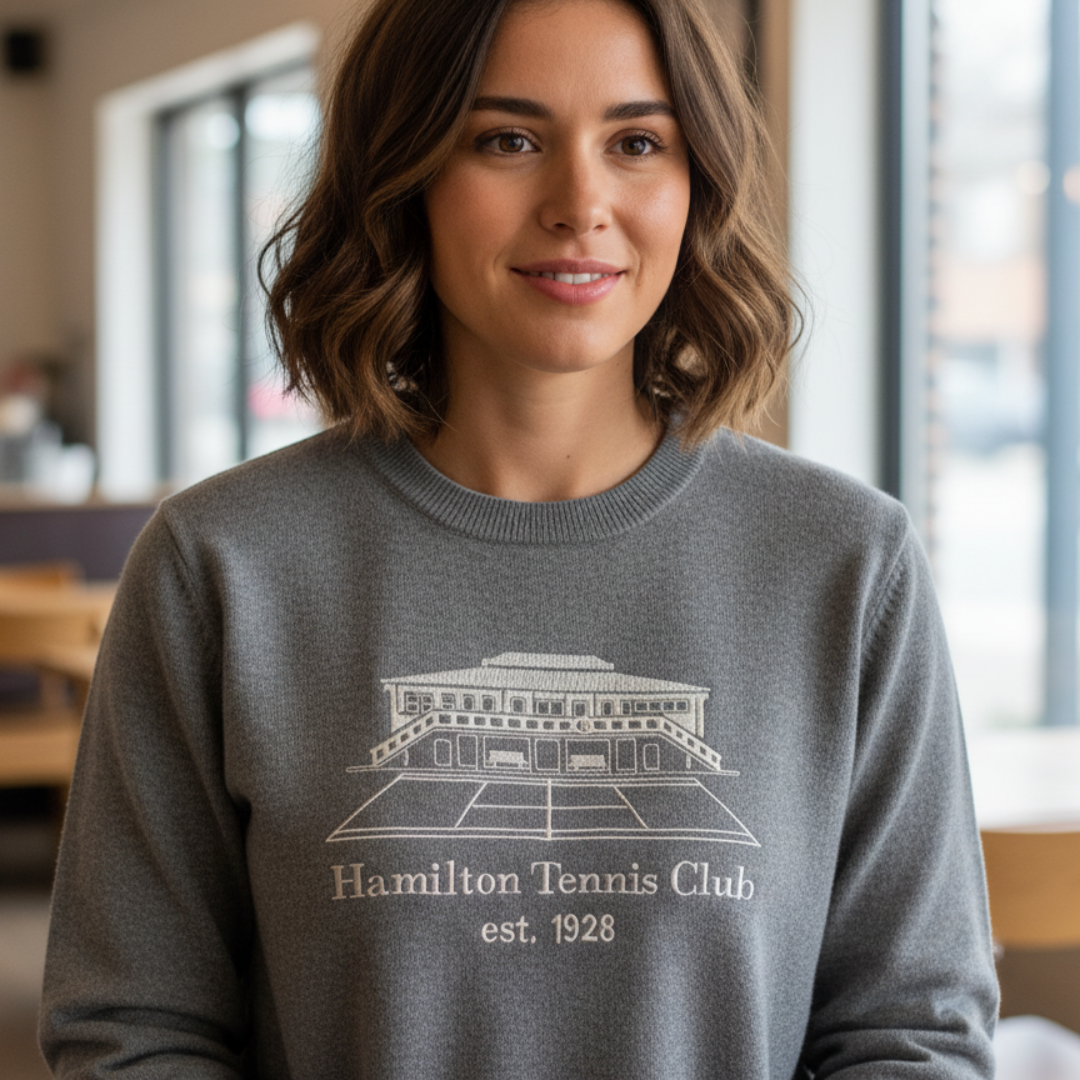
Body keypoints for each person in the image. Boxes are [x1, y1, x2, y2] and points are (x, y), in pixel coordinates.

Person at [40, 0, 999, 1075]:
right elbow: (132, 1031)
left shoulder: (847, 563)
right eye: (508, 140)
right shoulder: (221, 566)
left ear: (698, 186)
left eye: (637, 142)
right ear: (404, 177)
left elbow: (911, 1031)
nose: (580, 203)